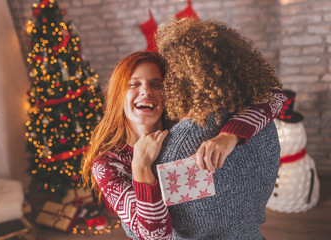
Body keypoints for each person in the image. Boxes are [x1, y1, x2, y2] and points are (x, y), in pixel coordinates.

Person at [82, 50, 285, 240]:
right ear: (118, 94)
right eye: (133, 84)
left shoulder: (185, 124)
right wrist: (141, 168)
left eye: (157, 84)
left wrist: (229, 136)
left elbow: (274, 96)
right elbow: (155, 236)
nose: (146, 91)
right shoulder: (109, 164)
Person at [150, 18, 285, 239]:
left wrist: (139, 168)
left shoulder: (175, 151)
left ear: (175, 80)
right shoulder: (263, 123)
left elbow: (148, 231)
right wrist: (231, 134)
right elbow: (275, 94)